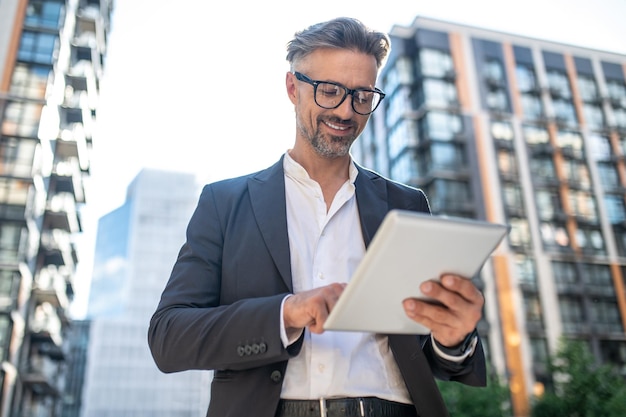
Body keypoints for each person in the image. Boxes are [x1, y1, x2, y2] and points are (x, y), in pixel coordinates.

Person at [148, 17, 486, 417]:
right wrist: (285, 313)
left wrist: (455, 337)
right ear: (293, 88)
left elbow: (432, 354)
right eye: (329, 91)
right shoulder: (225, 202)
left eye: (362, 96)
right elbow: (169, 338)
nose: (346, 111)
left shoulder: (407, 204)